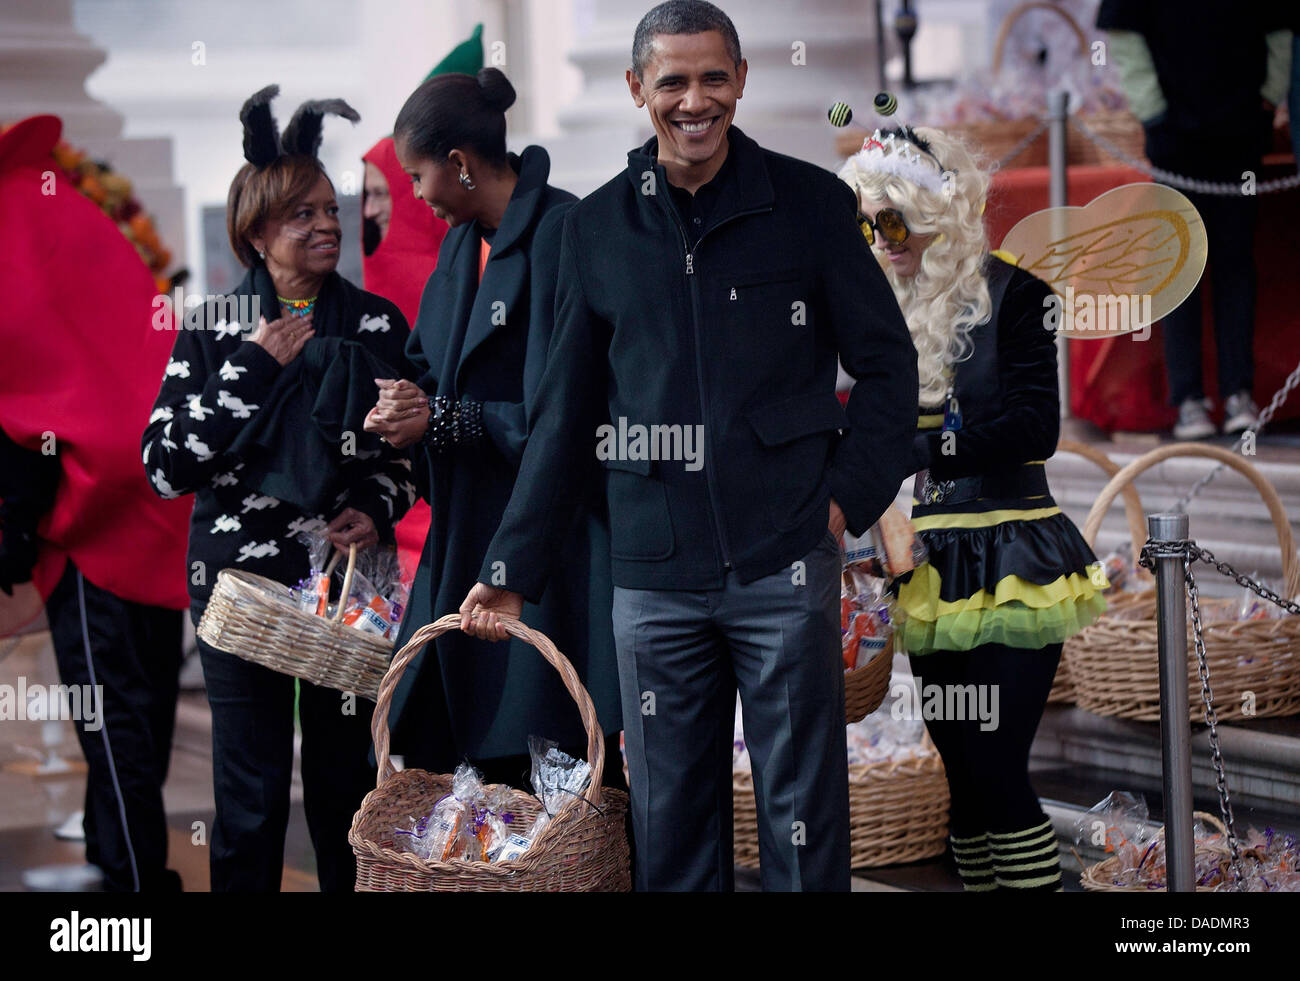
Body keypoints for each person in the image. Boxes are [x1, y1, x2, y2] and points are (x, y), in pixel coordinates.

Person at [459, 1, 918, 892]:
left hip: (784, 557)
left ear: (742, 80)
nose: (694, 100)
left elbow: (889, 368)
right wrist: (513, 564)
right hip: (653, 576)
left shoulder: (813, 204)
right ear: (638, 89)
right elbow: (563, 415)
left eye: (714, 78)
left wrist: (844, 499)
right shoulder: (590, 232)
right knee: (668, 822)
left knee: (803, 816)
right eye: (672, 80)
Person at [142, 88, 416, 892]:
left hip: (345, 591)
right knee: (252, 795)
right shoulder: (213, 325)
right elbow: (164, 465)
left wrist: (379, 504)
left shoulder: (374, 324)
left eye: (330, 210)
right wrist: (253, 364)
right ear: (256, 232)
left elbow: (405, 452)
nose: (327, 225)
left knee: (343, 791)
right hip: (238, 590)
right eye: (301, 215)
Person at [839, 124, 1109, 892]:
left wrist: (920, 450)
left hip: (1015, 554)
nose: (880, 237)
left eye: (892, 217)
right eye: (867, 222)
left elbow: (1036, 427)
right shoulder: (882, 311)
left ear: (934, 208)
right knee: (961, 777)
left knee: (995, 766)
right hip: (931, 568)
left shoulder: (1020, 294)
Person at [362, 68, 624, 795]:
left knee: (559, 767)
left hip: (549, 545)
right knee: (465, 761)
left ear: (459, 164)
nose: (413, 195)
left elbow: (569, 414)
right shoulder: (459, 245)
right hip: (467, 530)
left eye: (416, 176)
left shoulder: (566, 230)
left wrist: (448, 417)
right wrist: (399, 404)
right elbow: (428, 366)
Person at [0, 114, 193, 891]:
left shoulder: (14, 219)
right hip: (149, 494)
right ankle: (119, 858)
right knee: (139, 703)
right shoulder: (65, 205)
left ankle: (139, 886)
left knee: (112, 713)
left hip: (93, 513)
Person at [1098, 1, 1293, 439]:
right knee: (1179, 264)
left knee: (1236, 263)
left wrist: (1267, 97)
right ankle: (1187, 398)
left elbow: (1280, 28)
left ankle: (1238, 393)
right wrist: (1154, 112)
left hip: (1241, 132)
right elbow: (1124, 34)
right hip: (1175, 137)